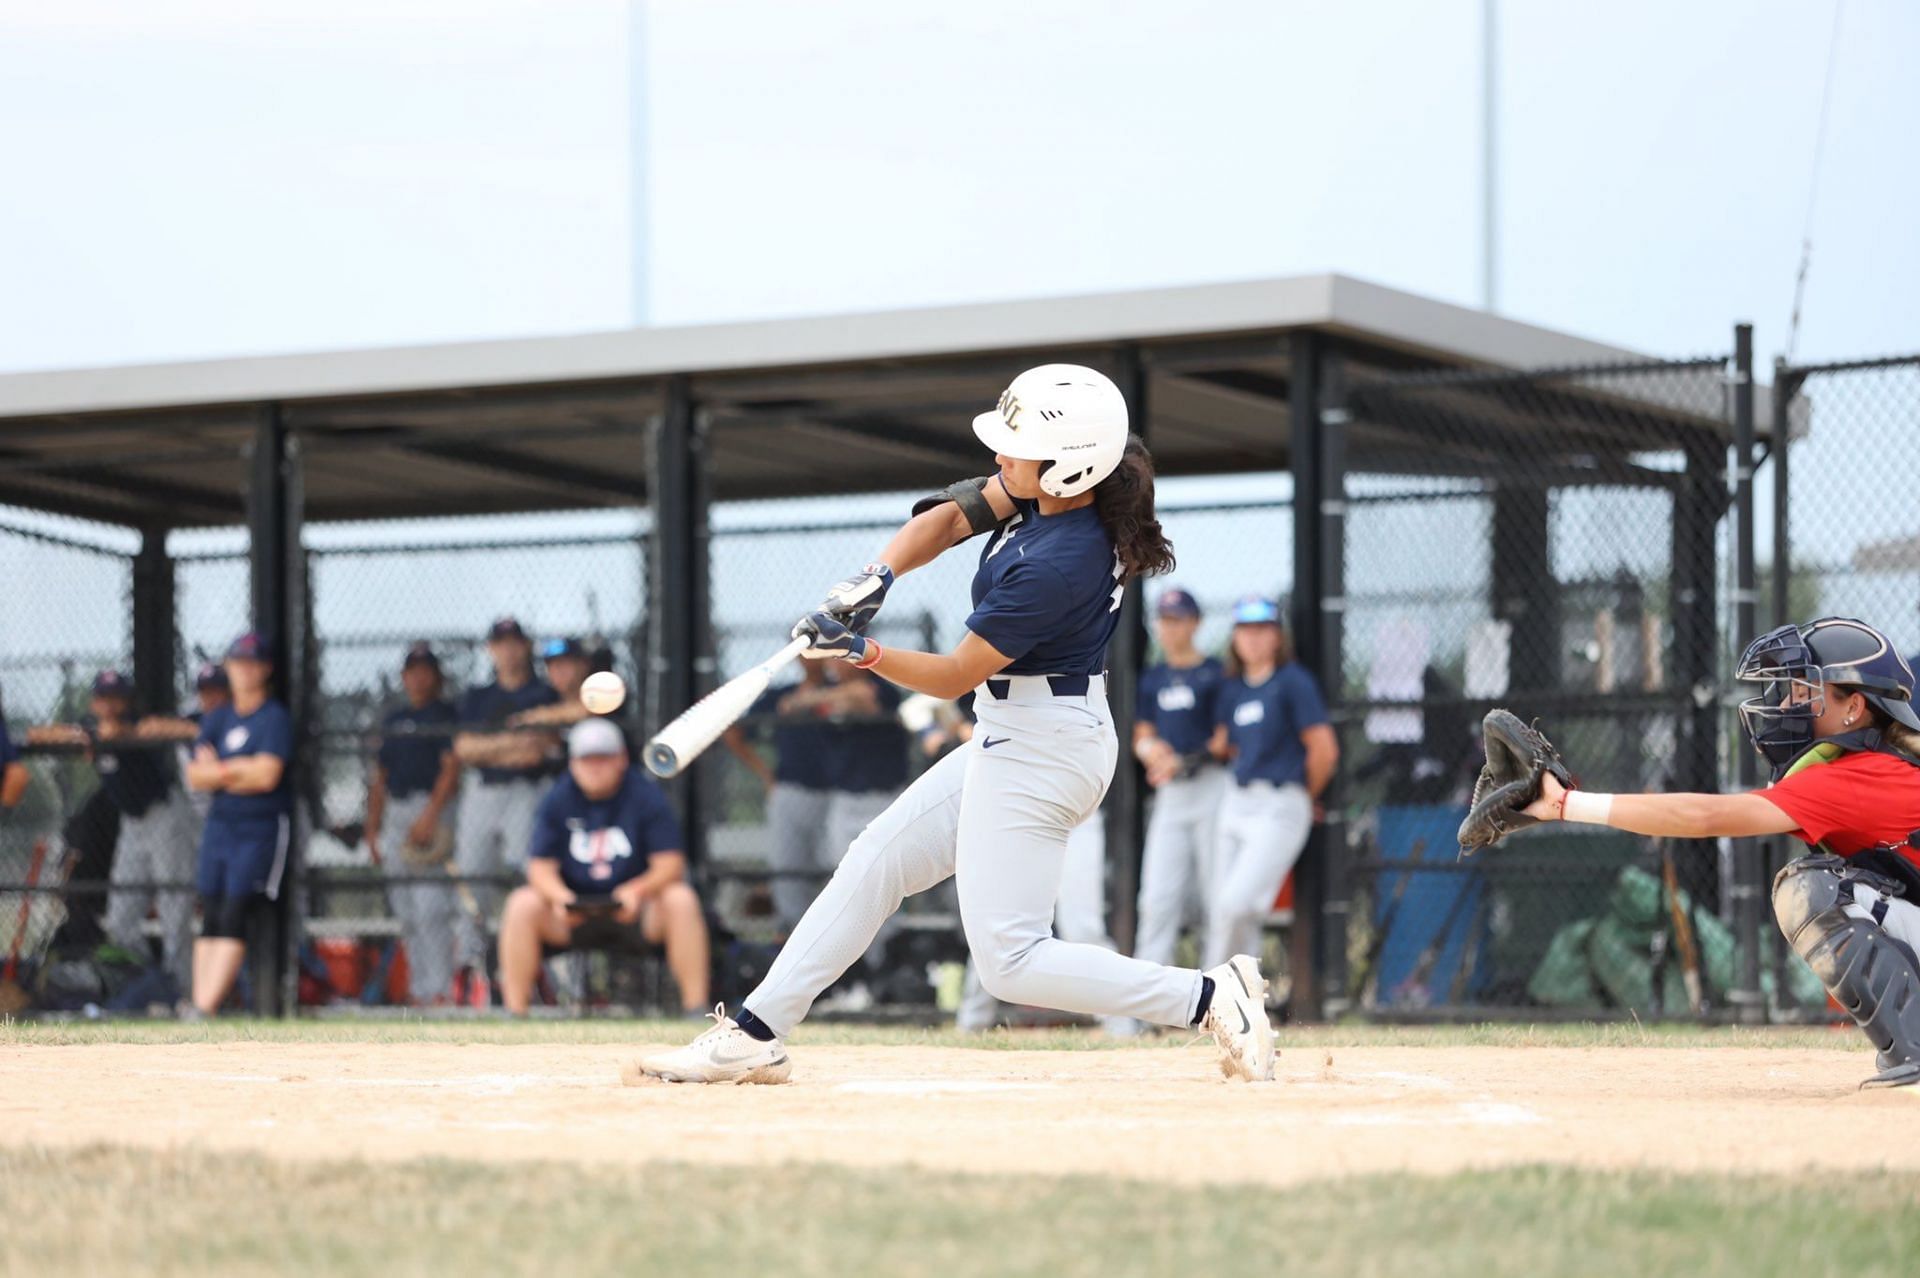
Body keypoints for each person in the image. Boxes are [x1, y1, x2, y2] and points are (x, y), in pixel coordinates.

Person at [637, 363, 1276, 1085]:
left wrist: (859, 651)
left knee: (1012, 960)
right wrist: (878, 577)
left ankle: (1207, 997)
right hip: (1021, 733)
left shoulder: (1063, 560)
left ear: (1071, 467)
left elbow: (955, 674)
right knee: (877, 858)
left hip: (1044, 746)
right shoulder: (1053, 497)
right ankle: (756, 1032)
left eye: (1018, 447)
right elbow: (947, 517)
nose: (1000, 458)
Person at [1517, 616, 1920, 1089]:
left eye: (1805, 691)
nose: (1787, 703)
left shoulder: (1858, 776)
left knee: (1812, 890)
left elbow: (1705, 817)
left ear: (1853, 707)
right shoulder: (1873, 768)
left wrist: (1566, 803)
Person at [498, 718, 710, 1016]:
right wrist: (561, 897)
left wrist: (638, 889)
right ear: (573, 763)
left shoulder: (645, 795)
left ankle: (696, 1010)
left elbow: (670, 864)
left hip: (635, 909)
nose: (594, 767)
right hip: (573, 911)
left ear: (621, 759)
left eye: (604, 758)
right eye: (586, 759)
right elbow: (539, 868)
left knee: (680, 899)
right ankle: (514, 1013)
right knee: (522, 903)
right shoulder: (557, 798)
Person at [27, 671, 199, 991]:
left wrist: (102, 734)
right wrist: (76, 735)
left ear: (127, 700)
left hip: (165, 815)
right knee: (121, 912)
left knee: (174, 908)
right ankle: (142, 983)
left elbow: (122, 730)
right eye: (103, 698)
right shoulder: (91, 730)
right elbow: (37, 735)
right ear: (94, 702)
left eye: (116, 697)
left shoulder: (137, 723)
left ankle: (182, 990)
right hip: (132, 824)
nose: (109, 705)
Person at [1205, 597, 1338, 970]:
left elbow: (1324, 752)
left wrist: (1300, 796)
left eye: (1262, 629)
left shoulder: (1294, 681)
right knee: (1225, 911)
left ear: (1278, 636)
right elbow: (1226, 745)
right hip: (1236, 801)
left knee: (1237, 903)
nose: (1253, 638)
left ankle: (1208, 996)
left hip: (1280, 801)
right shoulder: (1233, 688)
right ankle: (1235, 1004)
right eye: (1245, 630)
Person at [449, 616, 560, 1005]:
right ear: (490, 649)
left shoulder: (542, 693)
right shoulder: (479, 696)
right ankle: (470, 970)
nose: (508, 649)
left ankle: (533, 970)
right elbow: (465, 749)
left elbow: (537, 748)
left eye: (515, 642)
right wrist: (510, 746)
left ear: (526, 647)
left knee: (526, 879)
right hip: (483, 792)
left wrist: (492, 747)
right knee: (470, 882)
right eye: (500, 642)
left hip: (527, 792)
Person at [183, 632, 293, 1017]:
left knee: (234, 909)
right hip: (220, 827)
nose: (244, 670)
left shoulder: (273, 718)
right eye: (237, 662)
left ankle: (204, 1005)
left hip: (257, 828)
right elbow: (196, 776)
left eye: (252, 663)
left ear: (265, 669)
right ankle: (200, 1003)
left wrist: (222, 770)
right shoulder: (219, 718)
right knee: (211, 909)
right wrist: (238, 769)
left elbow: (266, 776)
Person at [955, 812, 1139, 1036]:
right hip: (1020, 818)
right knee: (999, 926)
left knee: (1082, 929)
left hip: (1076, 815)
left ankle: (1121, 1028)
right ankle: (971, 1025)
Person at [1131, 587, 1229, 969]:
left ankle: (1220, 992)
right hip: (1170, 795)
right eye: (1164, 620)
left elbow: (1225, 741)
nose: (1169, 629)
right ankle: (1148, 1004)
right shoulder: (1153, 678)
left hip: (1211, 788)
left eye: (1177, 620)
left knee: (1216, 896)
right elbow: (1142, 733)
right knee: (1156, 900)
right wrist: (1150, 750)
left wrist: (1183, 760)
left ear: (1195, 623)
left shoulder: (1214, 672)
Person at [365, 642, 461, 1005]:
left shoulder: (446, 714)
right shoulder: (393, 719)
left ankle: (441, 990)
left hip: (431, 807)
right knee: (405, 909)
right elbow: (380, 778)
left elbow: (451, 769)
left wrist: (430, 816)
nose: (418, 678)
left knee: (430, 907)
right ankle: (420, 989)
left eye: (426, 670)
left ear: (436, 677)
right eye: (412, 671)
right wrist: (372, 829)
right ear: (404, 677)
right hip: (397, 811)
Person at [721, 661, 837, 936]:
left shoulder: (839, 690)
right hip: (790, 791)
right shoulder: (782, 695)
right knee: (788, 875)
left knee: (837, 872)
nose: (813, 658)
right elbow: (734, 733)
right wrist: (765, 774)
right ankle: (792, 943)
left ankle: (847, 954)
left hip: (838, 797)